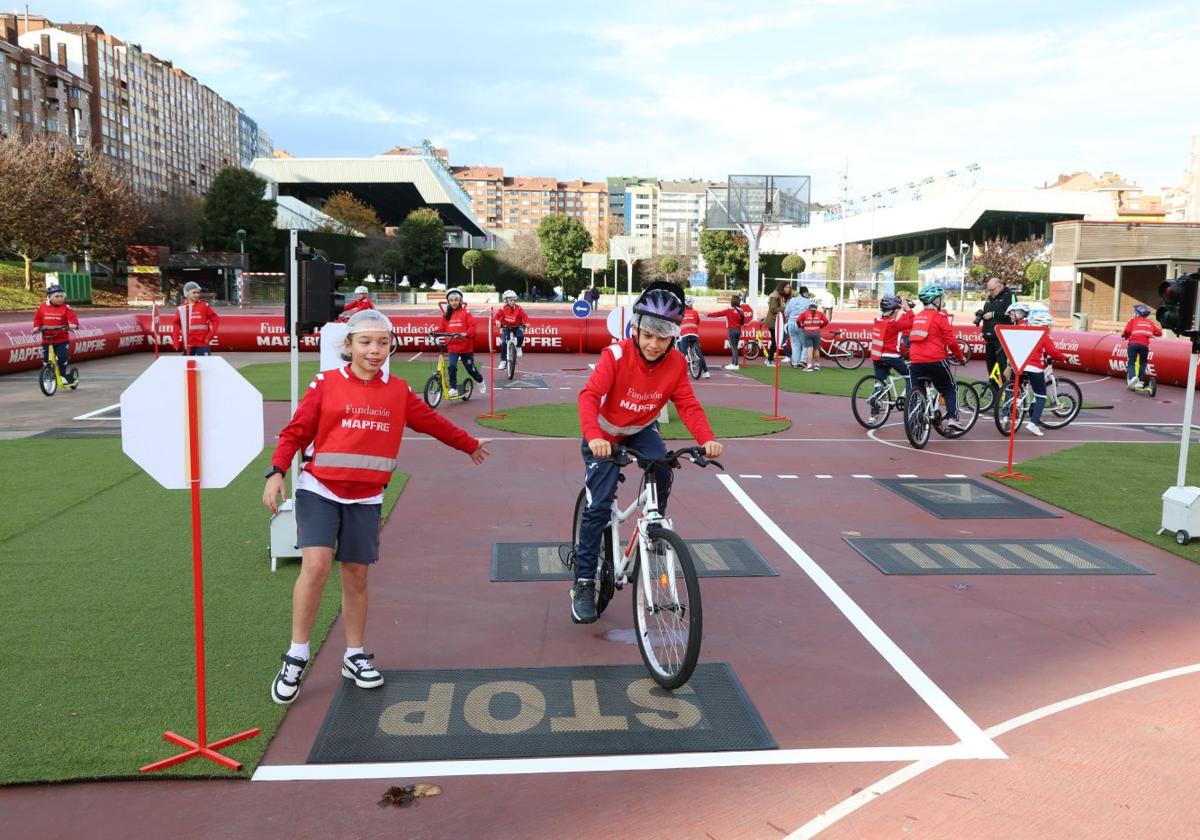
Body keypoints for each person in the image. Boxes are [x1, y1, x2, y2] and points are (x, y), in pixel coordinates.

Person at [262, 309, 490, 705]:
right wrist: (277, 470)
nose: (374, 350)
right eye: (365, 342)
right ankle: (296, 656)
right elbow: (296, 430)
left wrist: (469, 444)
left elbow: (434, 423)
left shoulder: (397, 392)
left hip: (366, 497)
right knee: (315, 565)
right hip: (319, 490)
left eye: (383, 342)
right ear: (347, 346)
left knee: (356, 575)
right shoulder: (326, 383)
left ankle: (354, 655)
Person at [573, 281, 724, 623]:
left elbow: (688, 405)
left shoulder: (675, 364)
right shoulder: (615, 356)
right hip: (605, 434)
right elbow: (588, 397)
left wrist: (707, 438)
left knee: (664, 467)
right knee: (597, 507)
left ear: (673, 337)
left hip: (641, 430)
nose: (654, 344)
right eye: (648, 335)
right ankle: (583, 582)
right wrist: (595, 436)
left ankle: (654, 525)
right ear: (636, 329)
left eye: (663, 337)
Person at [908, 284, 968, 431]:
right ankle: (953, 418)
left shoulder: (918, 317)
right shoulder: (939, 317)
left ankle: (916, 426)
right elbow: (951, 341)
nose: (942, 301)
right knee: (950, 387)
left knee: (918, 391)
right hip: (935, 359)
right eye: (941, 298)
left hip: (915, 361)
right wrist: (960, 357)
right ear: (935, 301)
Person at [1013, 308, 1068, 436]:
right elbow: (1053, 352)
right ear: (1046, 325)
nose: (1050, 328)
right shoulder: (1044, 335)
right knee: (1041, 396)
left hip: (1019, 366)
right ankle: (1033, 423)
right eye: (1050, 325)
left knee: (1014, 389)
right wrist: (1065, 358)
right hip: (1034, 367)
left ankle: (1010, 409)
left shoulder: (1025, 331)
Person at [441, 288, 484, 396]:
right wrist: (433, 332)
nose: (454, 302)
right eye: (451, 300)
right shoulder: (446, 315)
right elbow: (441, 328)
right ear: (448, 302)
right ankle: (453, 388)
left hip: (466, 347)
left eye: (456, 300)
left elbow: (473, 326)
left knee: (470, 370)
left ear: (460, 301)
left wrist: (466, 333)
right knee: (452, 366)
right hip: (452, 347)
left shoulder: (466, 313)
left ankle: (480, 380)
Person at [974, 277, 1014, 395]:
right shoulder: (990, 297)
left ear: (999, 286)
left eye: (991, 290)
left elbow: (1013, 314)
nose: (990, 293)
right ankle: (996, 395)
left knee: (1003, 369)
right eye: (988, 290)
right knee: (991, 369)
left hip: (1001, 339)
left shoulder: (1009, 296)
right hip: (989, 338)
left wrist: (994, 314)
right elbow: (987, 310)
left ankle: (1009, 396)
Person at [33, 284, 79, 379]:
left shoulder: (66, 308)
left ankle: (62, 375)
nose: (60, 299)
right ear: (49, 297)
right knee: (46, 360)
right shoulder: (42, 307)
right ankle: (48, 376)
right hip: (47, 339)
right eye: (57, 296)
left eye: (62, 296)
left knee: (61, 357)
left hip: (61, 339)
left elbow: (72, 318)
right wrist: (36, 327)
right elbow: (37, 318)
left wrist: (72, 325)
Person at [869, 294, 915, 384]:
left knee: (879, 382)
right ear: (893, 311)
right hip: (891, 356)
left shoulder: (877, 320)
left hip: (877, 356)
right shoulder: (893, 324)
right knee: (910, 376)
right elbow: (914, 321)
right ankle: (911, 398)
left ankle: (876, 397)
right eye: (897, 311)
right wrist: (908, 309)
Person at [172, 280, 220, 356]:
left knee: (205, 366)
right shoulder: (182, 308)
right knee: (187, 366)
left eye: (198, 293)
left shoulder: (204, 306)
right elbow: (176, 325)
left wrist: (209, 336)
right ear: (187, 294)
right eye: (194, 293)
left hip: (203, 343)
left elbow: (215, 320)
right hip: (188, 344)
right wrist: (175, 341)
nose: (197, 295)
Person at [1121, 303, 1161, 390]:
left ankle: (1133, 378)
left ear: (1137, 313)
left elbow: (1127, 331)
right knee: (1143, 363)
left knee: (1131, 362)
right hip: (1144, 346)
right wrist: (1151, 334)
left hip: (1133, 344)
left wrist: (1124, 336)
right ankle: (1139, 380)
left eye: (1134, 312)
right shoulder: (1150, 323)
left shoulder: (1133, 321)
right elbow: (1159, 333)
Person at [708, 293, 748, 370]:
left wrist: (708, 315)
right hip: (738, 330)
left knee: (733, 348)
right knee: (735, 347)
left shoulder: (729, 310)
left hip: (731, 330)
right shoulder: (741, 311)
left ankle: (735, 364)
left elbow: (718, 314)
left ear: (732, 302)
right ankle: (734, 363)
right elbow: (743, 322)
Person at [496, 289, 531, 369]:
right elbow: (497, 316)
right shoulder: (503, 308)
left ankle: (518, 347)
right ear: (506, 301)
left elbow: (524, 316)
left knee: (520, 336)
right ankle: (503, 361)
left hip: (516, 327)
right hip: (506, 327)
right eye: (510, 300)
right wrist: (497, 321)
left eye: (514, 300)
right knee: (504, 343)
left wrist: (527, 323)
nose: (513, 302)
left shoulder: (518, 308)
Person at [678, 294, 710, 378]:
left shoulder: (681, 313)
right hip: (694, 334)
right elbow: (697, 322)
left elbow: (677, 322)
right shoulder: (695, 312)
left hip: (684, 335)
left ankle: (679, 372)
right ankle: (706, 372)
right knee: (700, 354)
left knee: (682, 354)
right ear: (691, 304)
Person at [763, 281, 792, 367]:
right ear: (782, 288)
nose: (788, 289)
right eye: (786, 287)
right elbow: (773, 309)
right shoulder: (775, 296)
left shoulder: (782, 297)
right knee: (775, 341)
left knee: (775, 341)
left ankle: (769, 359)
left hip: (778, 321)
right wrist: (784, 308)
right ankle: (769, 360)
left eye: (789, 287)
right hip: (773, 321)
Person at [797, 299, 829, 371]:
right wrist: (821, 326)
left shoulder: (804, 313)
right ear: (816, 306)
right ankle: (817, 365)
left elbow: (798, 320)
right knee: (816, 349)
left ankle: (809, 366)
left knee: (809, 349)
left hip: (807, 333)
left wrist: (800, 326)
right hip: (816, 333)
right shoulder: (820, 313)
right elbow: (826, 321)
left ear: (809, 306)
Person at [784, 286, 810, 367]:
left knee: (795, 344)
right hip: (801, 324)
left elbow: (786, 312)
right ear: (805, 293)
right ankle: (802, 361)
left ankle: (795, 362)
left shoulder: (792, 300)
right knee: (806, 343)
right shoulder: (808, 301)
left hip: (791, 323)